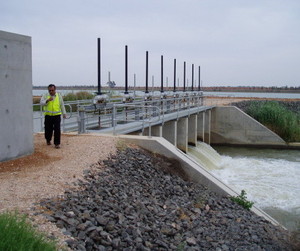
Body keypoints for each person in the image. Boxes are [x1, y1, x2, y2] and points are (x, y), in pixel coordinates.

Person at [40, 84, 67, 149]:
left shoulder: (59, 95)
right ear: (48, 90)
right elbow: (41, 103)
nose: (51, 92)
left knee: (57, 130)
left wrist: (64, 113)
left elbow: (62, 105)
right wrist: (47, 100)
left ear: (55, 89)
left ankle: (57, 143)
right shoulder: (45, 95)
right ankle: (48, 140)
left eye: (52, 90)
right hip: (48, 115)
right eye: (49, 90)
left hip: (57, 115)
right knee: (48, 129)